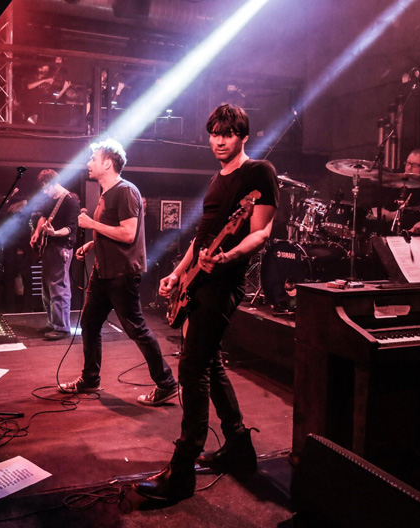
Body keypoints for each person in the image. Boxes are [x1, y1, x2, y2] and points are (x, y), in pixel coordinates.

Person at [134, 104, 279, 501]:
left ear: (243, 136)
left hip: (225, 282)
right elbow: (202, 239)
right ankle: (239, 447)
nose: (219, 141)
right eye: (214, 134)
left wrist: (228, 257)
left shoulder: (259, 172)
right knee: (210, 363)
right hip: (199, 280)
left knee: (192, 366)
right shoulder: (216, 180)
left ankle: (182, 470)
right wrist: (177, 273)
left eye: (227, 134)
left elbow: (261, 232)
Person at [60, 139, 178, 406]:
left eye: (93, 159)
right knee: (89, 324)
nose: (88, 163)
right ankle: (90, 378)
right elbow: (113, 230)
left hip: (122, 273)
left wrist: (91, 225)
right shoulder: (106, 193)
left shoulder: (125, 191)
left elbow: (127, 234)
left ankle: (167, 383)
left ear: (107, 163)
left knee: (136, 328)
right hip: (103, 272)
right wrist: (93, 243)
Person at [29, 170, 80, 340]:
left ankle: (62, 327)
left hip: (62, 247)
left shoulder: (70, 200)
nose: (45, 192)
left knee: (59, 287)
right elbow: (43, 217)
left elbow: (71, 228)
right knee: (47, 288)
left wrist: (55, 233)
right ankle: (52, 323)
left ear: (54, 183)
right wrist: (37, 233)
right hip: (49, 247)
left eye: (46, 188)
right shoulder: (51, 199)